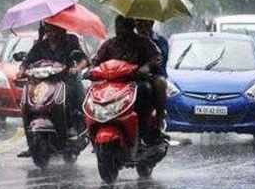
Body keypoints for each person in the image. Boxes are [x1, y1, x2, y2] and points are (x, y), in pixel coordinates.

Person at [92, 15, 167, 145]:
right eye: (118, 27)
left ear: (131, 27)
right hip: (113, 84)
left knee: (145, 89)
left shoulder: (143, 42)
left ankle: (144, 130)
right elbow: (96, 61)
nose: (121, 31)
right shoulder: (109, 44)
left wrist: (146, 67)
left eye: (124, 27)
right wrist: (91, 70)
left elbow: (157, 57)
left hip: (135, 82)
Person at [17, 22, 89, 157]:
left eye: (54, 29)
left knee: (75, 97)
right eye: (48, 30)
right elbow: (26, 62)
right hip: (42, 83)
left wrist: (76, 69)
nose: (51, 33)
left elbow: (84, 59)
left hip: (65, 80)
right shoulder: (40, 45)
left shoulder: (71, 41)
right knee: (28, 103)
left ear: (62, 29)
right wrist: (21, 71)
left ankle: (77, 130)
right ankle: (31, 143)